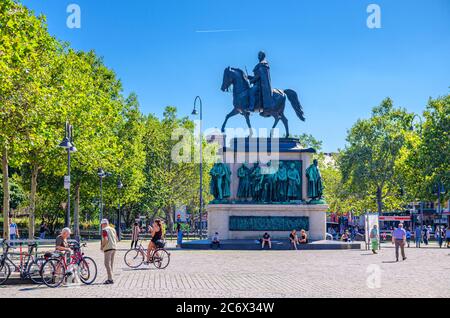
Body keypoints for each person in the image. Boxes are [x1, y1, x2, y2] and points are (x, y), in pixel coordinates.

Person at [100, 219, 118, 285]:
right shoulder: (113, 229)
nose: (101, 226)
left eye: (101, 225)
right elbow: (117, 239)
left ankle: (110, 279)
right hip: (114, 247)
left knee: (106, 263)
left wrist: (102, 246)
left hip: (108, 248)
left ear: (103, 224)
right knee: (111, 264)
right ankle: (111, 277)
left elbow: (106, 239)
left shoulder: (105, 230)